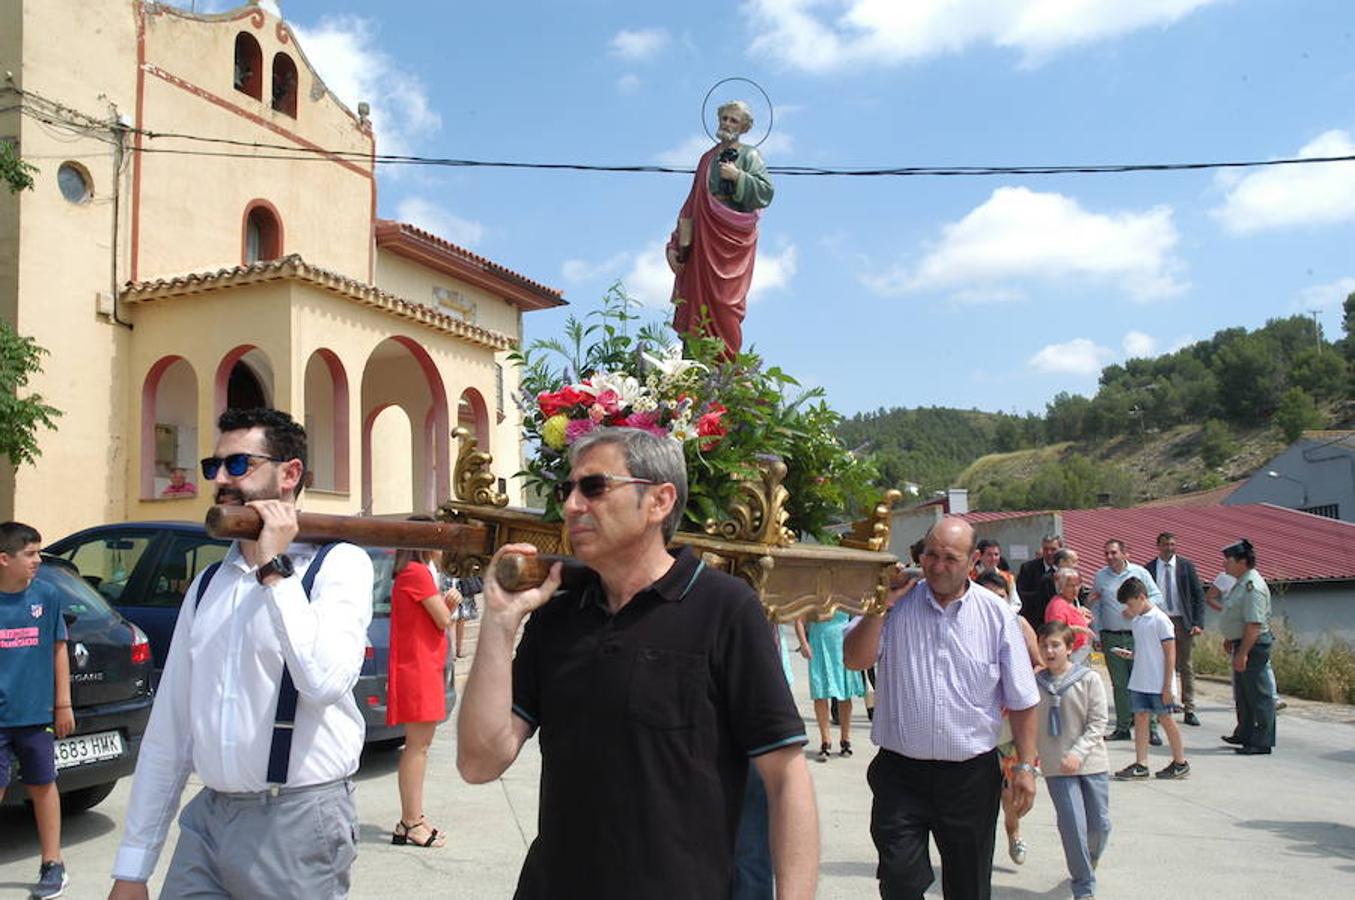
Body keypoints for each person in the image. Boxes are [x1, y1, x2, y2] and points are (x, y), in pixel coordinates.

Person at [457, 427, 818, 899]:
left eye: (594, 487)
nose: (571, 506)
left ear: (659, 501)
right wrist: (500, 623)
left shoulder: (723, 609)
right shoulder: (559, 616)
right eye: (568, 490)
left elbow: (785, 775)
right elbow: (480, 763)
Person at [109, 408, 374, 900]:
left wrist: (274, 568)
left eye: (239, 466)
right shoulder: (209, 582)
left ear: (289, 473)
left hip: (296, 820)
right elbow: (171, 730)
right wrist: (134, 865)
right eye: (214, 467)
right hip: (208, 819)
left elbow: (324, 681)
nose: (221, 481)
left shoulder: (340, 565)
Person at [844, 517, 1040, 900]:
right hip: (900, 775)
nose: (936, 566)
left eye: (949, 558)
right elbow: (854, 659)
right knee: (899, 881)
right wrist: (879, 607)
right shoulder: (895, 606)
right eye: (930, 555)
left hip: (970, 779)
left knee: (968, 887)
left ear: (973, 562)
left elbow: (1022, 699)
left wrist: (1026, 767)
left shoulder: (996, 615)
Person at [665, 99, 774, 357]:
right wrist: (674, 245)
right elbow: (691, 204)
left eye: (733, 120)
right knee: (695, 304)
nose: (727, 124)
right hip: (703, 237)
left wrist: (738, 177)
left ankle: (726, 374)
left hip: (731, 238)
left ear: (745, 127)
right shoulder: (706, 159)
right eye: (724, 118)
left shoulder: (750, 156)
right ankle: (692, 372)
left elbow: (766, 192)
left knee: (727, 305)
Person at [0, 521, 74, 900]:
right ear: (3, 559)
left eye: (38, 552)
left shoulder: (46, 596)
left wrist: (63, 703)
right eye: (29, 554)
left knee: (43, 786)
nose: (38, 560)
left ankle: (53, 864)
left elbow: (58, 647)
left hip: (36, 715)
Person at [387, 518, 461, 849]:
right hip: (418, 669)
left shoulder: (411, 573)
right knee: (418, 747)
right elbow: (443, 619)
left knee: (419, 746)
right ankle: (411, 821)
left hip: (420, 668)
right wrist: (451, 603)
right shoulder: (416, 574)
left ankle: (412, 819)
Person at [1034, 620, 1111, 900]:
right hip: (1056, 765)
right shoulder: (1035, 684)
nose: (1049, 650)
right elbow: (1027, 724)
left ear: (1069, 648)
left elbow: (1098, 721)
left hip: (1091, 762)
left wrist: (1078, 753)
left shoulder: (1088, 679)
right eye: (1044, 646)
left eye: (1055, 645)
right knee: (1072, 826)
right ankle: (1083, 885)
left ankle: (1089, 859)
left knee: (1099, 825)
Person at [974, 570, 1040, 870]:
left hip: (1012, 724)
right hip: (979, 726)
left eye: (999, 596)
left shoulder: (1019, 624)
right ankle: (984, 848)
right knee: (987, 794)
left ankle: (1013, 831)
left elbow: (1040, 665)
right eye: (987, 595)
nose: (993, 602)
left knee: (1013, 790)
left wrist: (1018, 680)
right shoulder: (967, 627)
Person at [1110, 578, 1190, 782]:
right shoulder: (1137, 621)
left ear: (1142, 597)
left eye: (1130, 603)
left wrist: (1167, 685)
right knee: (1141, 718)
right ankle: (1141, 763)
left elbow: (1170, 654)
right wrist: (1131, 655)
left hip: (1158, 680)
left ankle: (1180, 761)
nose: (1129, 609)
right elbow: (1146, 650)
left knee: (1166, 719)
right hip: (1141, 679)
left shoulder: (1160, 620)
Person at [1088, 540, 1162, 744]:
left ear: (1125, 553)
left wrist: (1138, 609)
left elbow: (1157, 596)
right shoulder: (1100, 576)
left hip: (1137, 635)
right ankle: (1122, 727)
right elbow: (1096, 605)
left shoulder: (1140, 573)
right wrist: (1097, 631)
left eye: (1114, 553)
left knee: (1144, 681)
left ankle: (1151, 728)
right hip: (1111, 635)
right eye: (1107, 553)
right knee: (1120, 684)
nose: (1110, 557)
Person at [1217, 539, 1276, 755]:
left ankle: (1262, 741)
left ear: (1242, 562)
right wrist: (1231, 638)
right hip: (1240, 642)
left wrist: (1242, 654)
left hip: (1253, 645)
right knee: (1243, 693)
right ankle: (1245, 733)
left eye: (1229, 561)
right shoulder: (1240, 582)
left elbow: (1253, 624)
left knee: (1258, 694)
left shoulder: (1253, 586)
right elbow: (1237, 617)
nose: (1225, 565)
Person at [1143, 532, 1206, 726]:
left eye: (1172, 544)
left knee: (1186, 665)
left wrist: (1198, 622)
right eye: (1165, 544)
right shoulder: (1150, 568)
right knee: (1159, 665)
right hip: (1159, 621)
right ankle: (1163, 705)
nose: (1169, 548)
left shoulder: (1186, 566)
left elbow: (1198, 595)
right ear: (1158, 546)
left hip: (1182, 621)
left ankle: (1190, 708)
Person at [803, 610, 866, 762]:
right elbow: (800, 618)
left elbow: (861, 612)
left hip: (842, 642)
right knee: (820, 694)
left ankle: (845, 739)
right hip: (818, 643)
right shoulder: (814, 590)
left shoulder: (845, 589)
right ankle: (826, 741)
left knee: (845, 693)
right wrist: (804, 643)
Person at [1044, 568, 1096, 663]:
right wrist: (1080, 629)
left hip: (1081, 652)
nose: (1075, 589)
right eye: (1070, 586)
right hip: (1069, 656)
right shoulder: (1058, 605)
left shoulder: (1072, 601)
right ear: (1061, 586)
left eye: (1077, 585)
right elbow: (1056, 631)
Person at [1016, 533, 1062, 627]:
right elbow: (1021, 594)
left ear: (1060, 549)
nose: (1049, 553)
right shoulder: (1028, 568)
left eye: (1053, 549)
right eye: (1046, 549)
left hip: (1059, 622)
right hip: (1034, 621)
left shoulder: (1066, 570)